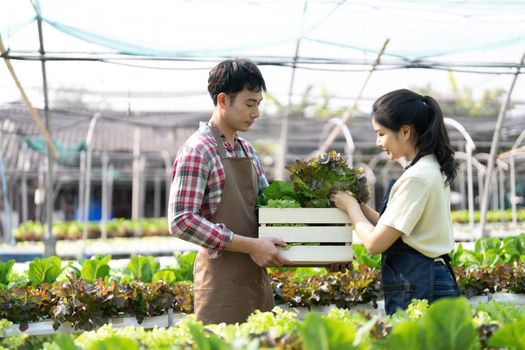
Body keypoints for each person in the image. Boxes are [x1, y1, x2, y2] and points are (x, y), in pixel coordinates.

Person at [168, 58, 290, 325]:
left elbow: (267, 210)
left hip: (256, 280)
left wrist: (321, 250)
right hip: (220, 286)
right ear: (223, 100)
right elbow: (181, 220)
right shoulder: (198, 150)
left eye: (258, 104)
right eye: (249, 103)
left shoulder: (247, 151)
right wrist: (250, 246)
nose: (256, 112)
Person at [330, 89, 460, 315]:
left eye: (381, 134)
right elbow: (395, 227)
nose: (378, 142)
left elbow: (375, 244)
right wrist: (360, 206)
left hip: (422, 282)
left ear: (406, 131)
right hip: (425, 277)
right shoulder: (428, 168)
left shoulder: (417, 177)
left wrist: (350, 208)